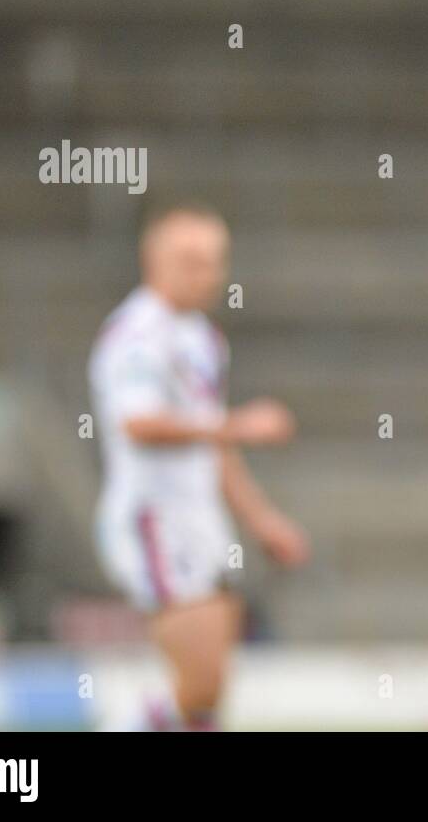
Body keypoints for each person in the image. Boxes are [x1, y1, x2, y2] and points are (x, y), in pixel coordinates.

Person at [89, 202, 310, 730]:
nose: (207, 274)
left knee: (206, 694)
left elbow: (213, 445)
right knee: (200, 687)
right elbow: (138, 423)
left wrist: (261, 519)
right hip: (154, 522)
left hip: (199, 522)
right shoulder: (138, 334)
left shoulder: (204, 339)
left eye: (215, 260)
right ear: (152, 259)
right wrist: (239, 424)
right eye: (191, 260)